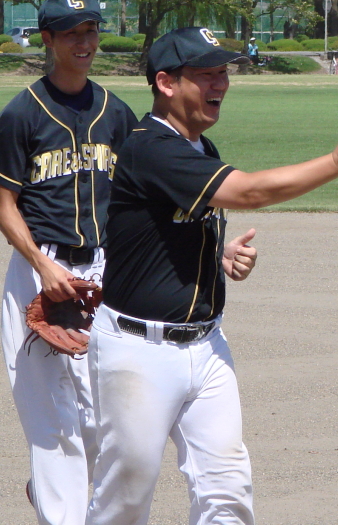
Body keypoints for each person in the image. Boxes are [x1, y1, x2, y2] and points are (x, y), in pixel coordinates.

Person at [85, 27, 338, 525]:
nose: (221, 83)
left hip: (208, 348)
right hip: (138, 352)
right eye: (207, 73)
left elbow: (158, 234)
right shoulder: (151, 147)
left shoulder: (201, 148)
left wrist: (220, 256)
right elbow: (250, 192)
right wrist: (337, 163)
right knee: (124, 500)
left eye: (224, 72)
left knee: (227, 491)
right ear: (166, 83)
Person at [0, 0, 138, 523]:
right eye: (70, 32)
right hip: (41, 267)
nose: (84, 42)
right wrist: (40, 264)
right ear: (48, 39)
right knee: (52, 420)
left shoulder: (116, 113)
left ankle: (45, 489)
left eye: (90, 30)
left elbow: (139, 198)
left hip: (102, 273)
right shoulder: (22, 114)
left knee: (102, 418)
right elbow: (4, 203)